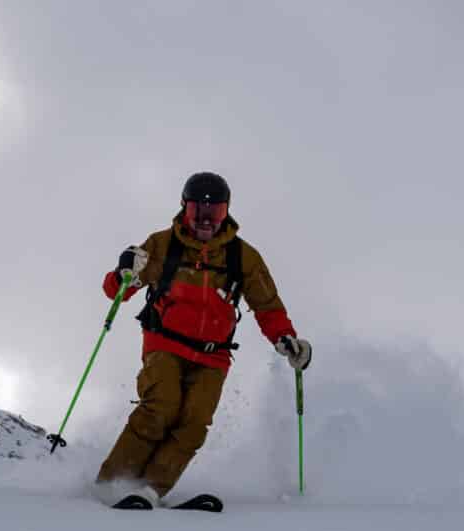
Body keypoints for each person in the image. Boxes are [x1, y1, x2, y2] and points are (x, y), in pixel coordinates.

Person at [95, 171, 312, 509]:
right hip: (164, 342)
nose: (207, 222)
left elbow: (267, 305)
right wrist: (126, 270)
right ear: (185, 209)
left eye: (216, 214)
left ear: (227, 213)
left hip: (213, 355)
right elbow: (116, 290)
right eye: (199, 213)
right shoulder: (162, 244)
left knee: (194, 423)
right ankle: (112, 485)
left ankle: (151, 490)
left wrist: (286, 339)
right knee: (161, 407)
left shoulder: (243, 257)